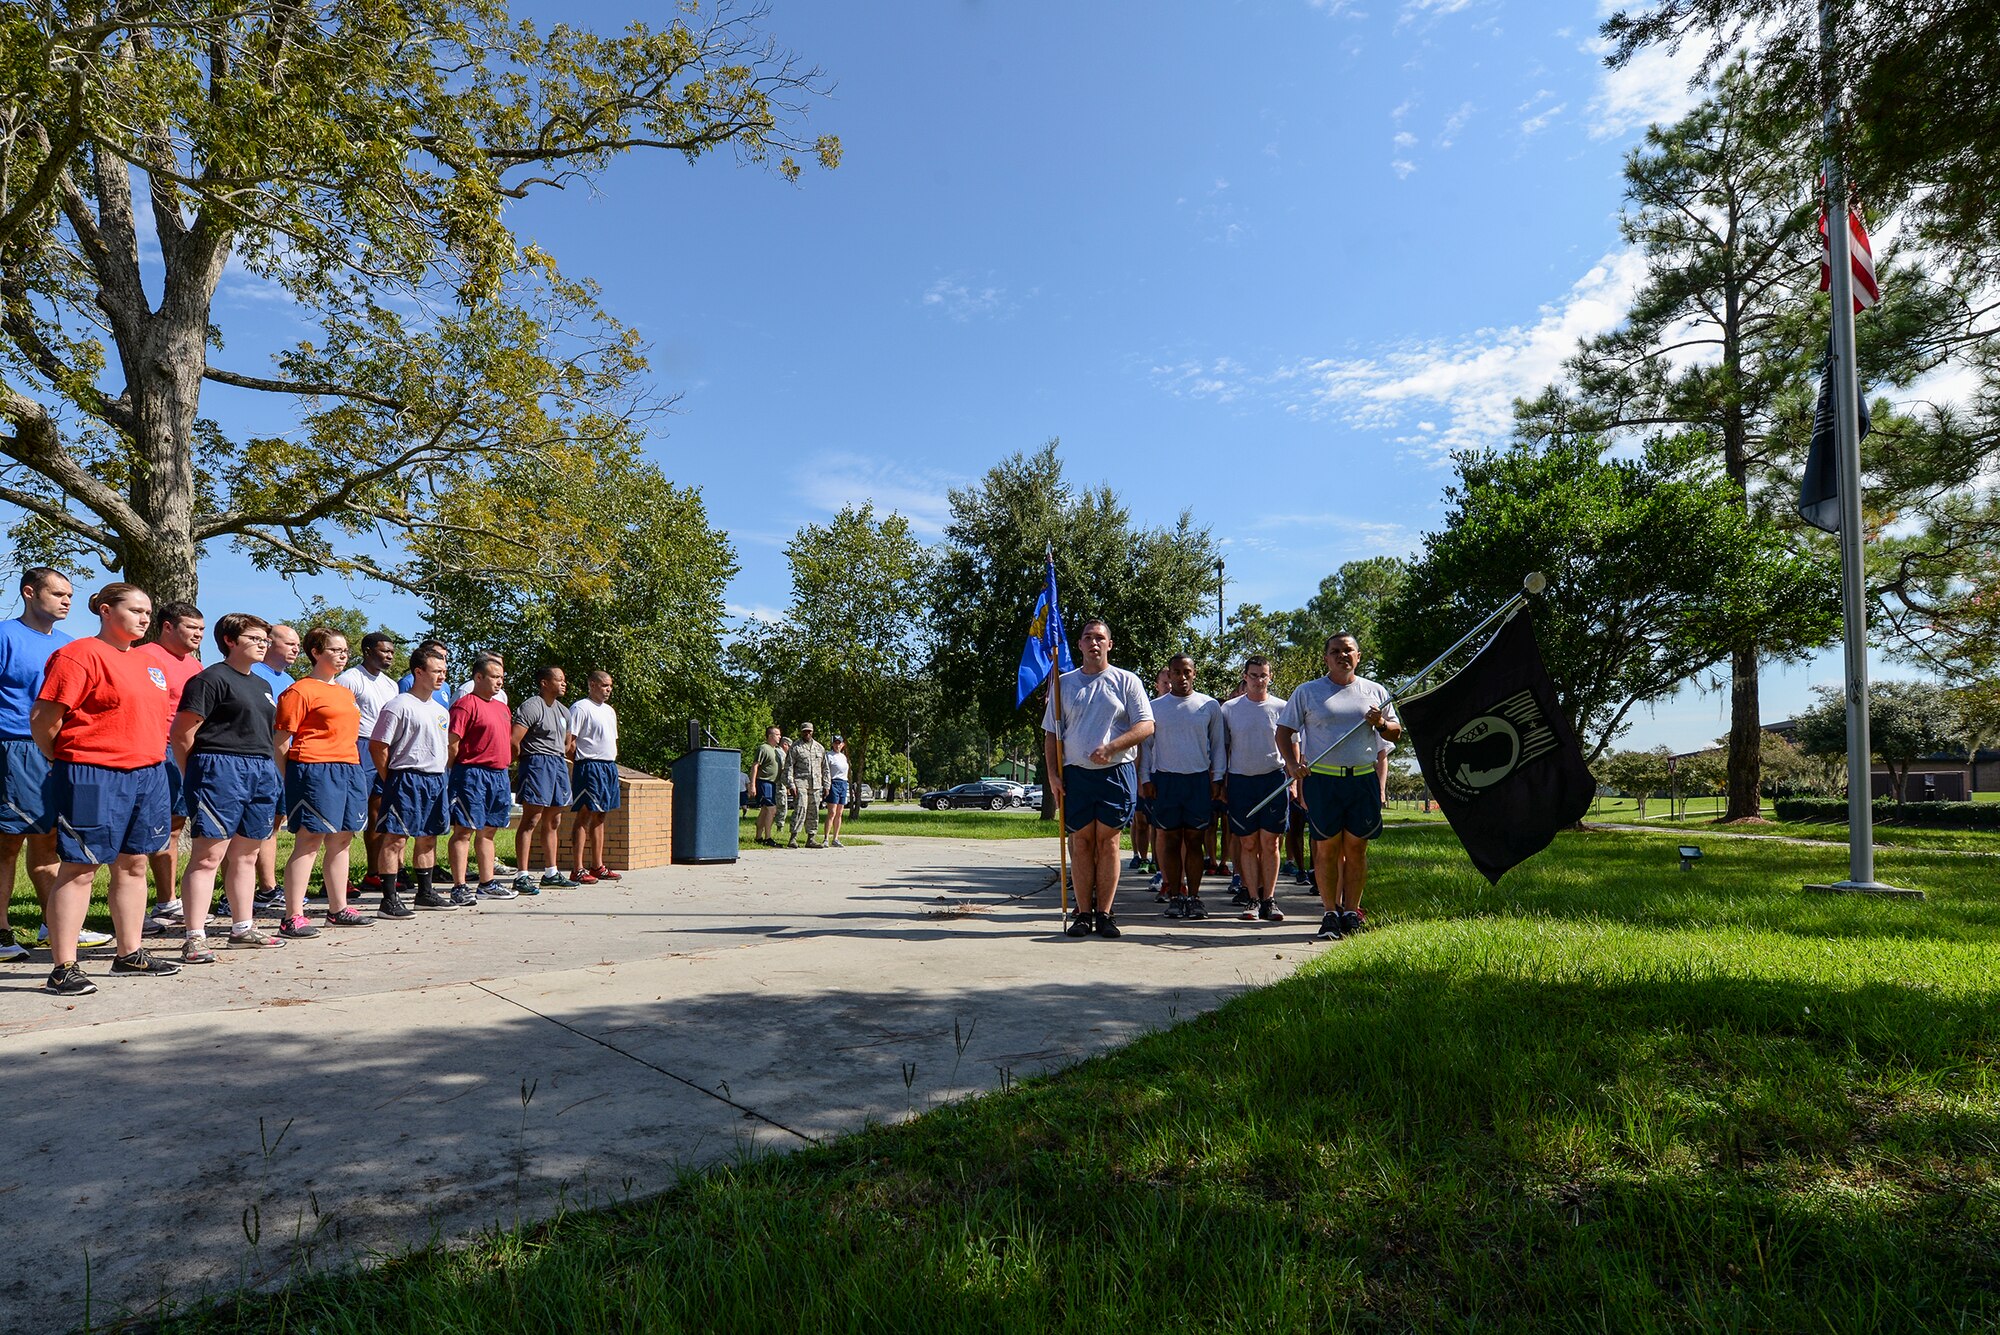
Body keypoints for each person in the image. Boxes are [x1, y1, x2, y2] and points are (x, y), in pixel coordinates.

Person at [31, 583, 181, 993]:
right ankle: (63, 966)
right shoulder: (79, 654)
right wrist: (59, 760)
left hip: (147, 774)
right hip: (93, 773)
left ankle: (129, 954)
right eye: (134, 609)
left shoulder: (150, 663)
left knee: (134, 865)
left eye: (147, 611)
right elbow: (45, 717)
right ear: (104, 610)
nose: (144, 617)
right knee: (80, 868)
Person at [172, 613, 290, 957]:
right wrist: (194, 773)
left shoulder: (263, 685)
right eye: (255, 638)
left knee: (247, 853)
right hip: (218, 768)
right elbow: (182, 733)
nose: (263, 644)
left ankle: (242, 927)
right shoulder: (209, 679)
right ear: (229, 641)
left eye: (265, 639)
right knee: (209, 856)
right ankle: (194, 936)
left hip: (260, 768)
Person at [1276, 632, 1402, 942]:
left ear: (1358, 657)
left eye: (1348, 651)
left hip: (1362, 779)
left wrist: (1382, 724)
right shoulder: (1308, 692)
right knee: (1327, 849)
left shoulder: (1374, 691)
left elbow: (1396, 732)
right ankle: (1330, 912)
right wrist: (1292, 766)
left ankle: (1352, 911)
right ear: (1326, 657)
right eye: (1335, 651)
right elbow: (1283, 732)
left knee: (1357, 848)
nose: (1342, 656)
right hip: (1323, 780)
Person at [1042, 618, 1154, 939]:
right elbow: (1052, 734)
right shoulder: (1064, 684)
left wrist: (1113, 746)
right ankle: (1083, 914)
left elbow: (1146, 725)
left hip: (1115, 774)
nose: (1094, 643)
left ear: (1109, 644)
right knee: (1081, 843)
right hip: (1075, 775)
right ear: (1078, 645)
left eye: (1100, 638)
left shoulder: (1126, 681)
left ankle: (1105, 913)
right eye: (1087, 638)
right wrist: (1052, 775)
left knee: (1108, 843)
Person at [274, 626, 372, 930]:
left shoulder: (344, 692)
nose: (343, 656)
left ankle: (337, 908)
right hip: (314, 768)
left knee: (342, 840)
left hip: (349, 767)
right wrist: (287, 776)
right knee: (309, 840)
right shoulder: (299, 690)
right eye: (335, 650)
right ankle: (292, 915)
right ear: (316, 652)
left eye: (345, 651)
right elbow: (280, 740)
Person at [0, 568, 74, 961]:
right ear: (29, 592)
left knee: (49, 841)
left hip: (58, 752)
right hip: (13, 745)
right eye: (58, 593)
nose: (66, 601)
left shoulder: (70, 645)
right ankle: (1, 932)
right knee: (6, 843)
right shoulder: (4, 635)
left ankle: (54, 925)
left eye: (70, 595)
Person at [1139, 653, 1226, 921]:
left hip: (1198, 780)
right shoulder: (1155, 707)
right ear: (1170, 675)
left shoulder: (1208, 705)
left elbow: (1219, 745)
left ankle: (1195, 897)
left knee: (1195, 840)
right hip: (1166, 781)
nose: (1182, 677)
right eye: (1176, 672)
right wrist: (1145, 778)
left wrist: (1218, 778)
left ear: (1194, 673)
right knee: (1171, 841)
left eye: (1187, 671)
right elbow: (1146, 746)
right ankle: (1175, 896)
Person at [133, 601, 202, 932]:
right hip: (154, 750)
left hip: (188, 751)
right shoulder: (144, 657)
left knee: (175, 825)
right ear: (168, 627)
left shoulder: (195, 666)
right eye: (191, 627)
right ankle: (143, 905)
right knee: (152, 826)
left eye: (201, 629)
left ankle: (167, 902)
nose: (198, 634)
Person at [369, 642, 452, 915]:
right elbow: (378, 745)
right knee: (396, 839)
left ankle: (425, 892)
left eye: (444, 671)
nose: (442, 676)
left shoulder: (441, 711)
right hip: (406, 778)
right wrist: (391, 777)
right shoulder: (398, 705)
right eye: (436, 671)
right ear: (418, 671)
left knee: (428, 837)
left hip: (435, 779)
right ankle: (389, 900)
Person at [1223, 655, 1289, 923]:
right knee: (1248, 843)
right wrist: (1221, 781)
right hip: (1240, 780)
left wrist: (1294, 780)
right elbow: (1222, 747)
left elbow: (1292, 744)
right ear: (1245, 676)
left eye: (1263, 675)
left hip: (1273, 779)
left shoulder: (1282, 707)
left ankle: (1269, 899)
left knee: (1270, 842)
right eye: (1253, 675)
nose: (1258, 680)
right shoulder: (1229, 708)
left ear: (1270, 676)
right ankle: (1252, 898)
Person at [446, 654, 516, 904]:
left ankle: (487, 883)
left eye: (501, 678)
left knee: (489, 831)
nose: (499, 682)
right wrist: (452, 774)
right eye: (495, 677)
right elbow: (452, 743)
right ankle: (460, 886)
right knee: (463, 830)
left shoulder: (502, 707)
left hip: (499, 775)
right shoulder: (465, 704)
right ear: (478, 677)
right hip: (471, 774)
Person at [335, 631, 400, 894]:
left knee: (377, 814)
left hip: (383, 748)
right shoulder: (350, 679)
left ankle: (374, 873)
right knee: (350, 816)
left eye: (392, 652)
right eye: (385, 651)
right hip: (357, 745)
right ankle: (340, 878)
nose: (390, 656)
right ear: (368, 651)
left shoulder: (391, 685)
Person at [247, 623, 299, 912]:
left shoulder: (289, 679)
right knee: (250, 830)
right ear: (269, 642)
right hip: (257, 759)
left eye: (297, 644)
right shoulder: (254, 672)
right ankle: (253, 891)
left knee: (273, 825)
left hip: (281, 761)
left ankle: (267, 888)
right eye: (289, 643)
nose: (295, 649)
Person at [513, 666, 576, 890]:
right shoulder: (532, 706)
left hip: (557, 763)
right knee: (532, 819)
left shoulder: (564, 711)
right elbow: (515, 740)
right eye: (559, 679)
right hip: (537, 762)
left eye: (564, 679)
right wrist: (523, 763)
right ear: (544, 683)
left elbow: (567, 744)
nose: (563, 683)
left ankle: (551, 873)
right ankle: (522, 875)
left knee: (554, 820)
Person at [568, 671, 622, 882]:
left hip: (608, 767)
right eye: (605, 685)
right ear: (592, 685)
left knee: (601, 815)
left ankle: (597, 865)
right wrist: (582, 763)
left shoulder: (609, 711)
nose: (609, 689)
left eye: (610, 686)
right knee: (585, 814)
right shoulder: (581, 707)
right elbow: (570, 743)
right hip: (589, 766)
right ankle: (577, 868)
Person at [786, 721, 829, 849]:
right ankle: (793, 838)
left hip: (815, 785)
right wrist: (791, 784)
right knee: (800, 809)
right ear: (801, 732)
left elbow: (825, 768)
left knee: (814, 811)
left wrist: (827, 785)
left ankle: (811, 838)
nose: (807, 733)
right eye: (805, 731)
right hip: (800, 783)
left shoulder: (819, 748)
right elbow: (788, 767)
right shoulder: (795, 747)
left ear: (812, 732)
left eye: (809, 731)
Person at [750, 725, 783, 846]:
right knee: (771, 809)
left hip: (772, 783)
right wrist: (752, 785)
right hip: (764, 782)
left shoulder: (776, 750)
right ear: (770, 736)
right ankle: (768, 838)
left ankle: (758, 837)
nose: (780, 737)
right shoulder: (763, 748)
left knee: (765, 810)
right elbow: (755, 766)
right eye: (777, 734)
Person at [822, 734, 851, 848]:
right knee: (832, 812)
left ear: (842, 745)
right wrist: (826, 786)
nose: (837, 745)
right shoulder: (829, 756)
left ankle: (836, 838)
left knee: (839, 813)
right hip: (833, 782)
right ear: (832, 744)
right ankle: (826, 838)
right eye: (835, 743)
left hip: (843, 783)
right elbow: (825, 771)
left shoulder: (843, 757)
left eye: (839, 743)